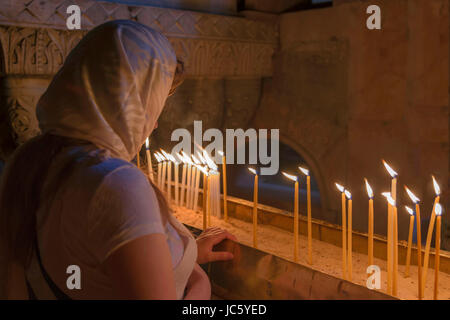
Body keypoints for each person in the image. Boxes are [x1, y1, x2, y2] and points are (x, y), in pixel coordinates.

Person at [0, 20, 236, 300]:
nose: (156, 123)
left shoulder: (28, 159)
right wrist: (200, 284)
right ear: (129, 103)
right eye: (151, 103)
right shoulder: (117, 183)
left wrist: (185, 255)